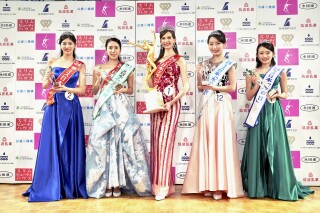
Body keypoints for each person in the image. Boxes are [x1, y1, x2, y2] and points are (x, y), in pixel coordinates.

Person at [241, 41, 314, 201]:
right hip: (258, 113)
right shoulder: (251, 72)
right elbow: (248, 96)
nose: (264, 56)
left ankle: (280, 187)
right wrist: (257, 85)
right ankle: (258, 188)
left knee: (276, 146)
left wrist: (277, 94)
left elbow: (285, 93)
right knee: (258, 147)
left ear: (273, 53)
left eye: (267, 52)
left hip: (274, 112)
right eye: (261, 53)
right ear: (257, 55)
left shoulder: (279, 71)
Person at [23, 32, 88, 202]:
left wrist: (66, 88)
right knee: (53, 144)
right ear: (60, 45)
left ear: (75, 45)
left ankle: (69, 186)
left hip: (71, 106)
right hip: (54, 106)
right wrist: (47, 77)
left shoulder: (80, 65)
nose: (67, 46)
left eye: (70, 43)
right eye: (64, 43)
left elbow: (82, 90)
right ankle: (53, 185)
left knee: (69, 144)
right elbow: (45, 85)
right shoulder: (52, 62)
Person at [86, 37, 152, 198]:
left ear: (120, 50)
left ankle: (119, 184)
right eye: (110, 47)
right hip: (104, 107)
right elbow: (94, 91)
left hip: (121, 107)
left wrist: (118, 90)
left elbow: (130, 90)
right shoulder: (98, 68)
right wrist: (99, 80)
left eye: (116, 47)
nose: (113, 50)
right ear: (106, 50)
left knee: (122, 143)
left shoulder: (127, 68)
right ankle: (107, 183)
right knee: (104, 143)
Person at [182, 30, 244, 200]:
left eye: (218, 43)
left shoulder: (229, 64)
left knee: (221, 142)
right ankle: (208, 184)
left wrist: (214, 88)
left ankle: (220, 186)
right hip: (207, 104)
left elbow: (232, 88)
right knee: (207, 141)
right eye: (211, 44)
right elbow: (201, 87)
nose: (214, 47)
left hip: (222, 104)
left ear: (224, 44)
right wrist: (200, 76)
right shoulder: (204, 64)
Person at [149, 24, 189, 201]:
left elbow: (186, 86)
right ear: (160, 41)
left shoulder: (179, 59)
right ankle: (160, 185)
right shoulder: (155, 61)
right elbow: (151, 85)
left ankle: (163, 188)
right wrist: (147, 67)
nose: (166, 41)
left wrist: (172, 101)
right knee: (157, 145)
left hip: (172, 103)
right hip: (156, 103)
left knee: (165, 143)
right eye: (163, 38)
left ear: (174, 40)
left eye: (169, 37)